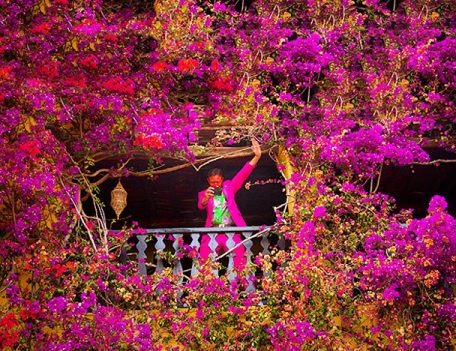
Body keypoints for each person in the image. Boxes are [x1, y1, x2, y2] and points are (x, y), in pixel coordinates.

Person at [198, 138, 262, 269]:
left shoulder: (229, 187)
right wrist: (206, 197)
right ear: (208, 181)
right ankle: (204, 286)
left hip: (231, 231)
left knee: (240, 260)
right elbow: (201, 206)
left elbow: (243, 175)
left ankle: (245, 285)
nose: (215, 185)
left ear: (222, 179)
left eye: (217, 182)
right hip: (213, 232)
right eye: (212, 183)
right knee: (205, 260)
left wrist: (257, 157)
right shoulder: (203, 193)